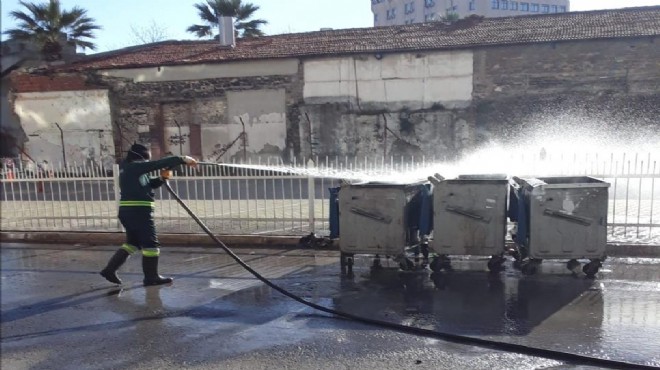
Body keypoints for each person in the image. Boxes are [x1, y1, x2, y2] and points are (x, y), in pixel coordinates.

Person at [100, 143, 197, 286]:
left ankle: (109, 270)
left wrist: (162, 178)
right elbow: (157, 164)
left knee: (133, 243)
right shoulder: (134, 166)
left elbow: (149, 184)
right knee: (151, 244)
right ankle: (151, 277)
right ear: (141, 157)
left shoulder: (130, 170)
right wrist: (182, 159)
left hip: (129, 212)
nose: (147, 162)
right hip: (138, 212)